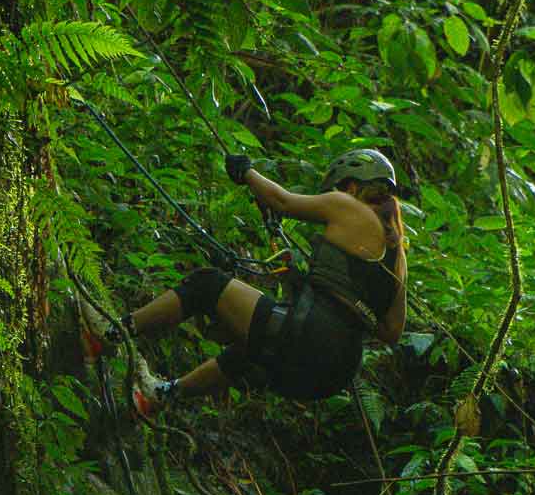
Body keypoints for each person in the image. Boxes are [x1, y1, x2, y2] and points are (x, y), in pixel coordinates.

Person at [83, 148, 408, 417]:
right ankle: (160, 396)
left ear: (351, 187)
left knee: (207, 285)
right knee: (253, 350)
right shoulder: (397, 256)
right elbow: (391, 331)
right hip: (335, 372)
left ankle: (109, 334)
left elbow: (281, 201)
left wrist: (247, 172)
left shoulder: (348, 206)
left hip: (309, 335)